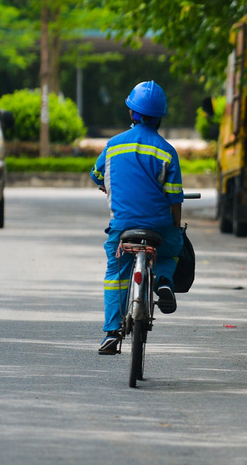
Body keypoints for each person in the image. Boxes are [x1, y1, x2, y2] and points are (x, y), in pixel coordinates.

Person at [90, 80, 185, 355]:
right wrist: (174, 230)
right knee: (172, 248)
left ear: (132, 113)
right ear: (160, 117)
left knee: (115, 272)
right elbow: (174, 199)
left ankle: (111, 333)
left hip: (122, 229)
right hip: (158, 228)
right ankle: (164, 281)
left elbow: (96, 176)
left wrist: (110, 184)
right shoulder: (167, 151)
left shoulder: (113, 145)